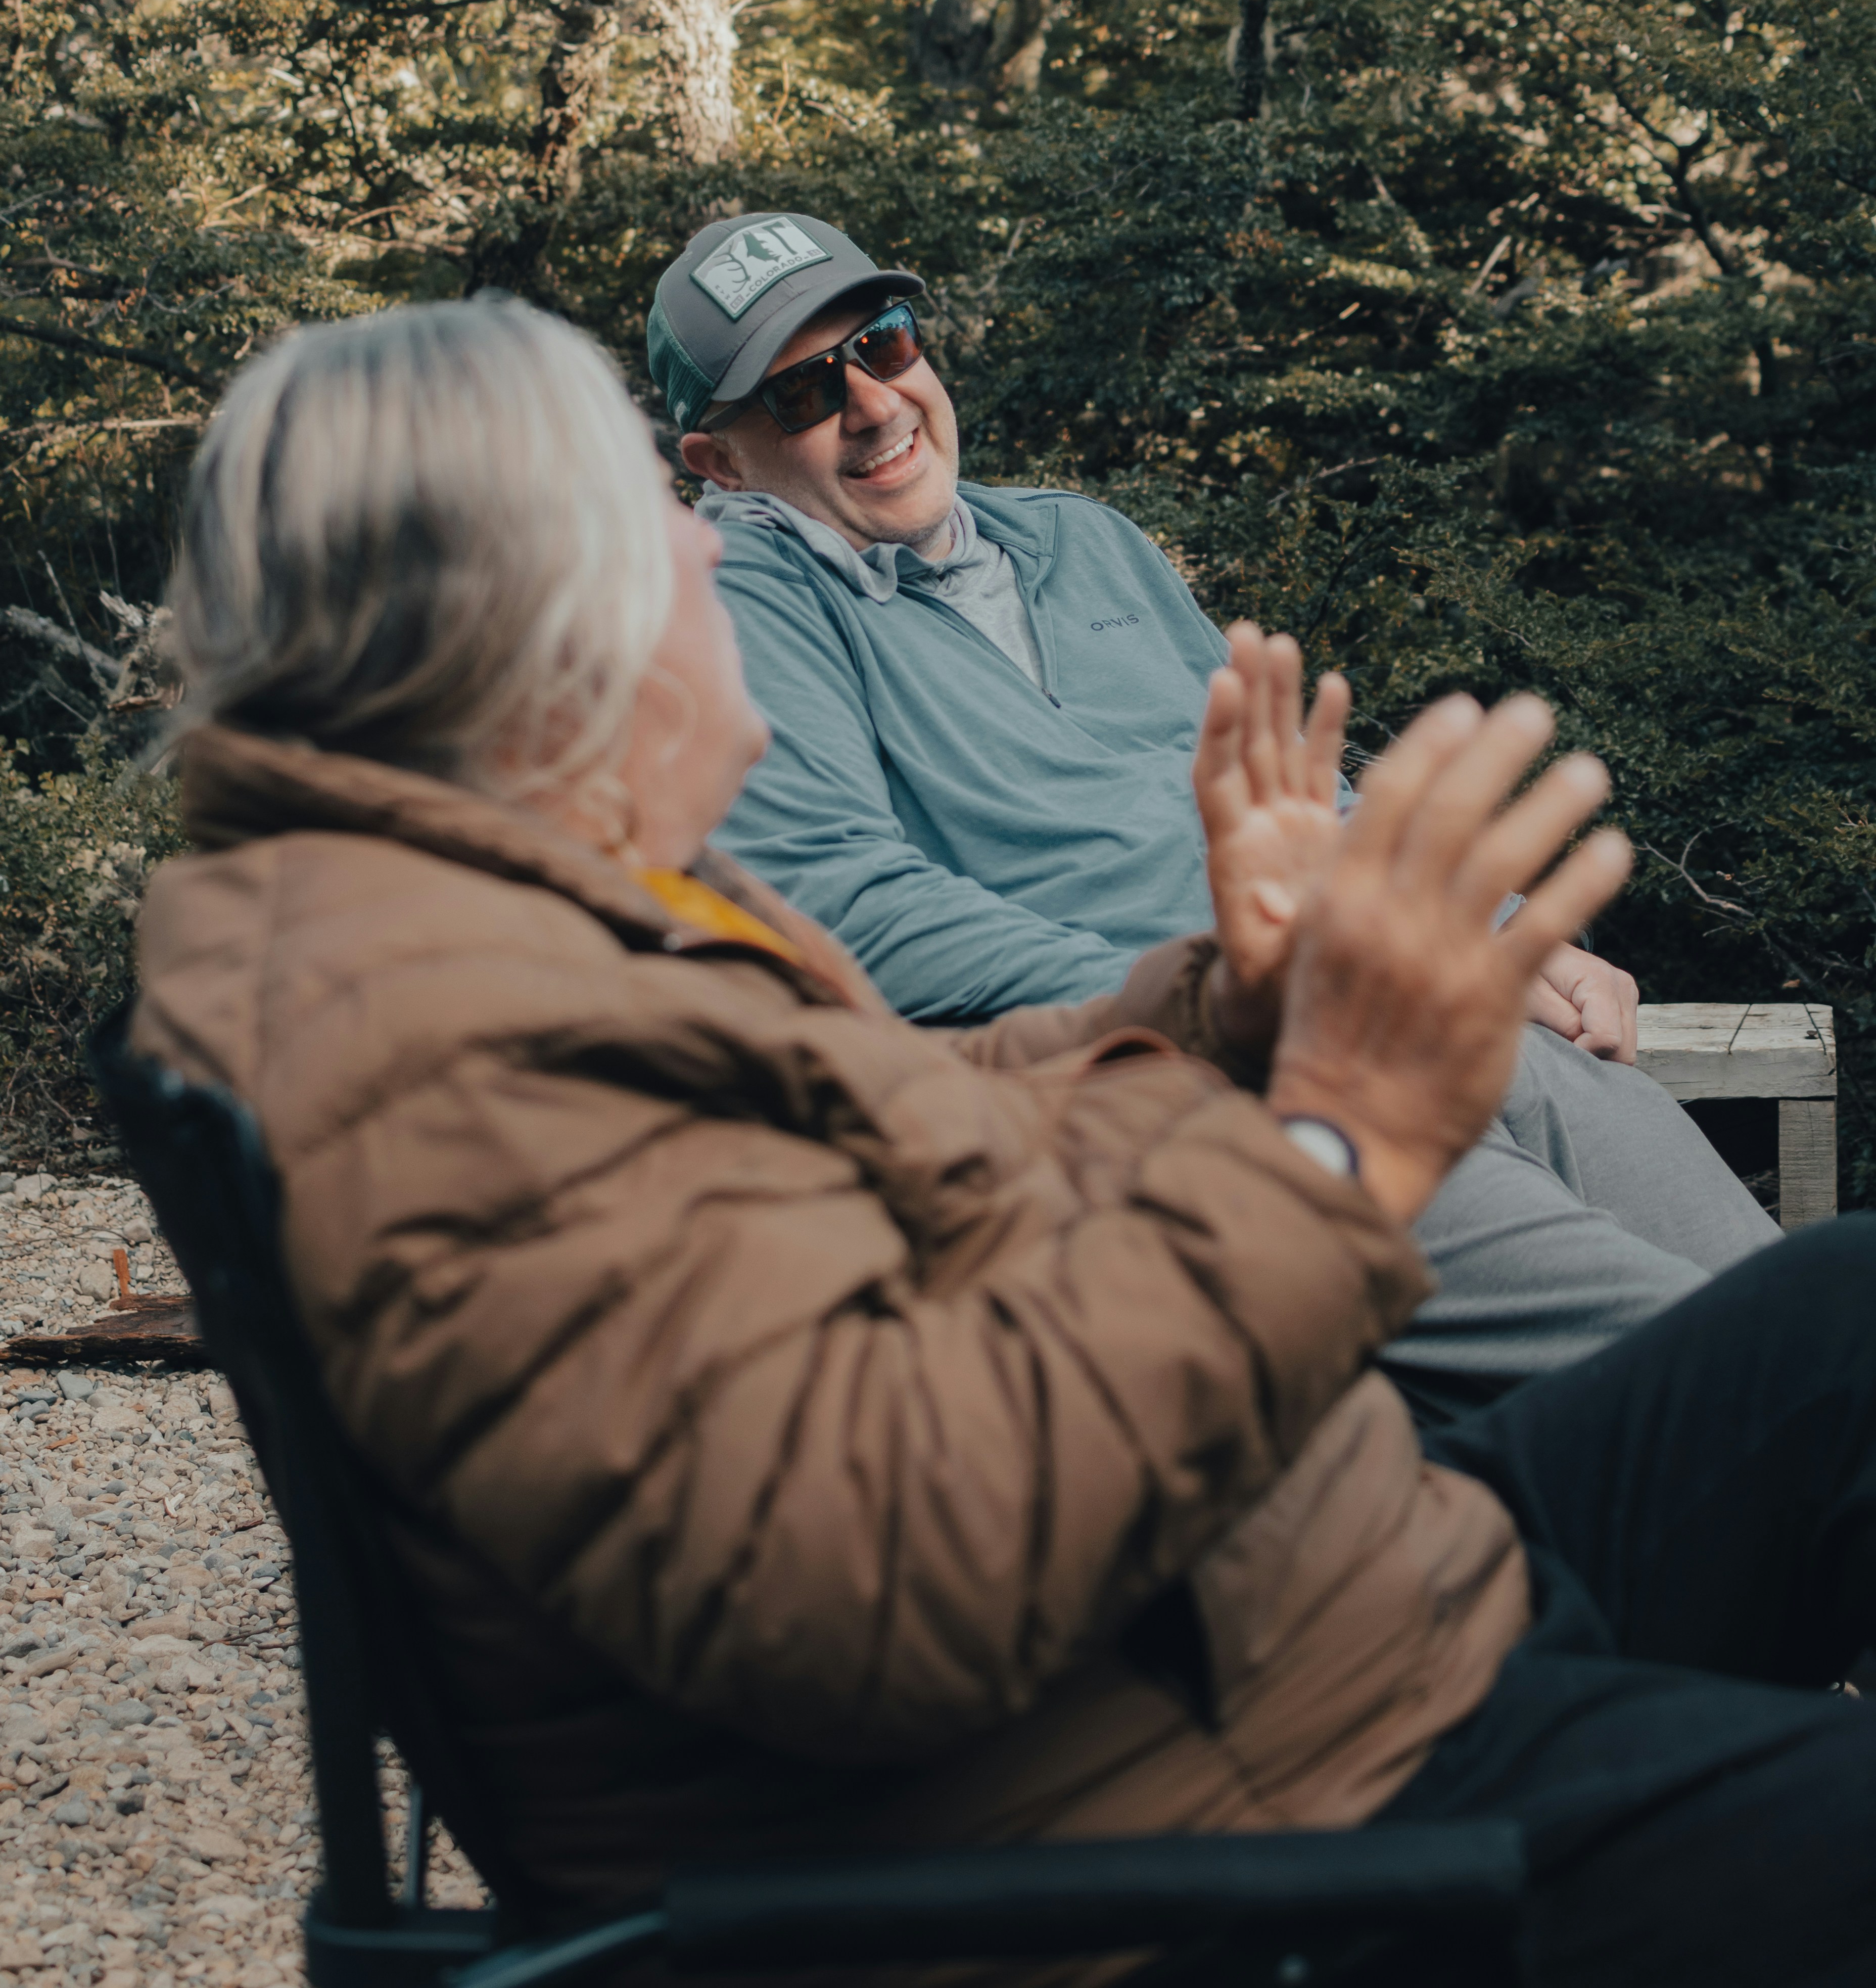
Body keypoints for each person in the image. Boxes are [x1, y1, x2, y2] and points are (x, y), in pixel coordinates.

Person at [132, 298, 1876, 1988]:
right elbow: (877, 1576)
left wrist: (1230, 1007)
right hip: (1220, 1820)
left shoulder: (510, 910)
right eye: (662, 514)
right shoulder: (455, 1054)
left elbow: (937, 1118)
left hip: (1282, 1605)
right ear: (518, 602)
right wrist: (1328, 1153)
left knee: (1841, 1308)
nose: (717, 550)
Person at [649, 214, 1780, 1421]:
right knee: (1735, 1382)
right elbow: (837, 905)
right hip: (1200, 1096)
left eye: (883, 344)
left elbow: (1301, 803)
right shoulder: (750, 599)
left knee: (1793, 1301)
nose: (872, 404)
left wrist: (1500, 923)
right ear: (719, 462)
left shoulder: (1078, 539)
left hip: (1389, 1003)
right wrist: (1221, 992)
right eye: (803, 392)